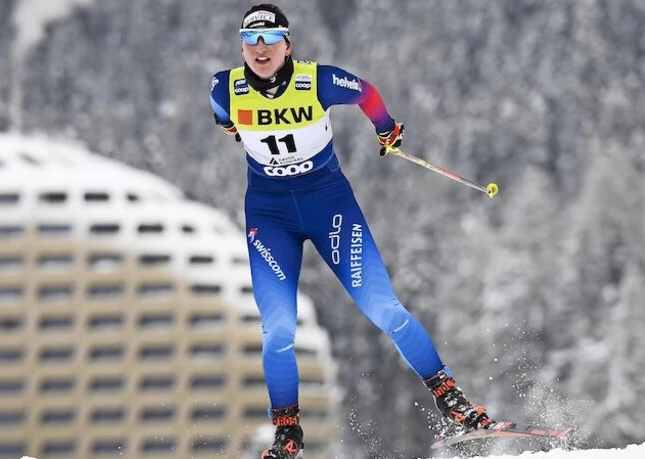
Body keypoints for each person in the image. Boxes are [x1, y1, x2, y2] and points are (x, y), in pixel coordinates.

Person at [210, 4, 491, 459]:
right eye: (250, 40)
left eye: (270, 39)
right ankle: (287, 433)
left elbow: (367, 93)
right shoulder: (224, 87)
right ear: (241, 44)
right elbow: (224, 118)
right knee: (278, 328)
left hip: (328, 204)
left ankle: (452, 402)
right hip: (270, 211)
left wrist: (387, 130)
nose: (259, 50)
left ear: (287, 44)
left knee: (384, 306)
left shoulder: (317, 80)